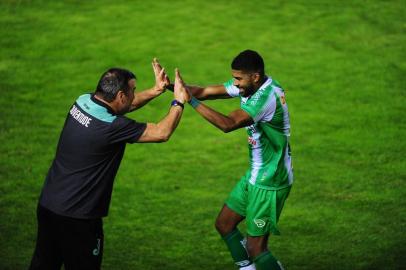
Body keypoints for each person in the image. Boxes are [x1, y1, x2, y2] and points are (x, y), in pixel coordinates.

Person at [29, 59, 190, 270]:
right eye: (133, 90)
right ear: (121, 95)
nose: (134, 94)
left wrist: (156, 90)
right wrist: (178, 101)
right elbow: (162, 132)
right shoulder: (111, 127)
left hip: (49, 205)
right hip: (79, 218)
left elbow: (122, 106)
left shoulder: (82, 101)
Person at [183, 50, 293, 270]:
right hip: (256, 173)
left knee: (256, 249)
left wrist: (192, 102)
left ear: (255, 76)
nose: (235, 84)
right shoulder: (250, 85)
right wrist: (171, 87)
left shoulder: (266, 97)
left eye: (238, 79)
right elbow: (205, 90)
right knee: (224, 224)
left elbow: (228, 124)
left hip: (270, 180)